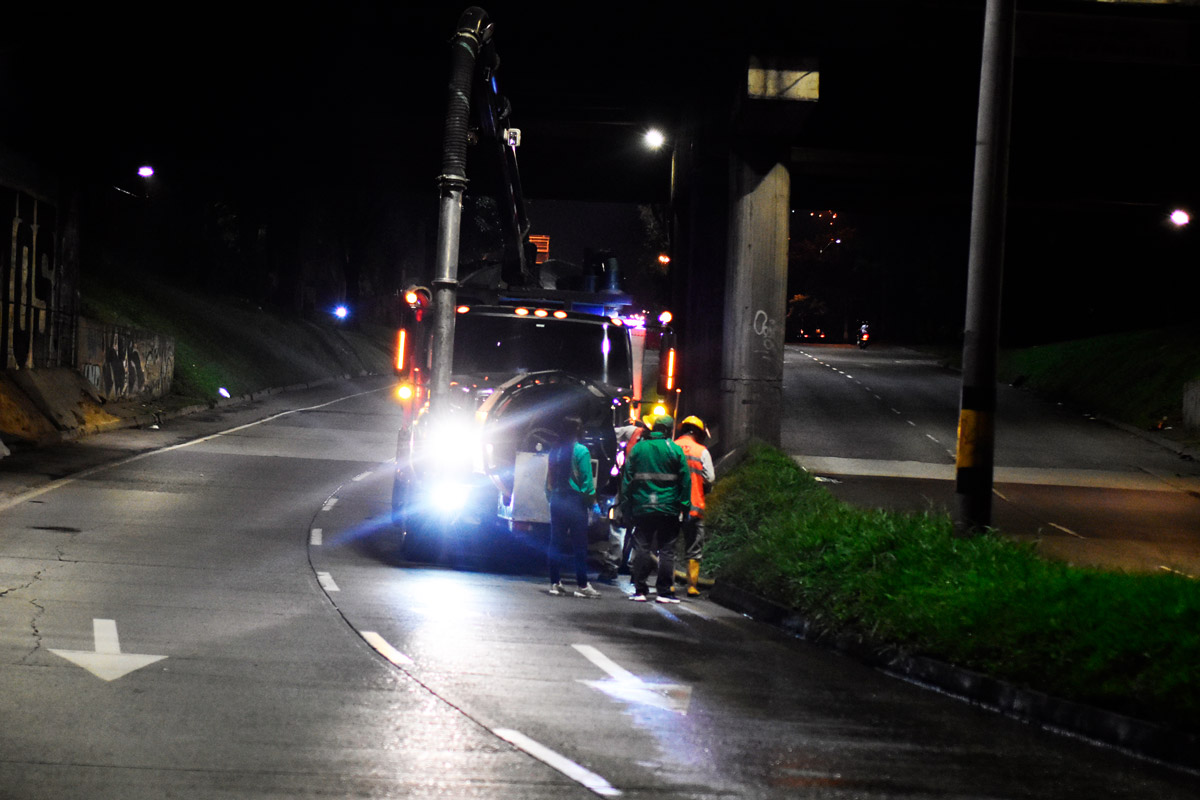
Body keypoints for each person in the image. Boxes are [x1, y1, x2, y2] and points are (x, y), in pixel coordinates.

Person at [621, 414, 690, 603]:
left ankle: (640, 590)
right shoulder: (674, 449)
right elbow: (685, 480)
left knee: (642, 547)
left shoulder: (639, 449)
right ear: (668, 430)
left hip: (642, 507)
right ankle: (665, 592)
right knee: (667, 550)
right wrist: (685, 506)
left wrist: (626, 506)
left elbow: (627, 479)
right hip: (669, 509)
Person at [545, 416, 601, 598]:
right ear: (577, 431)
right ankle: (582, 586)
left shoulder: (555, 451)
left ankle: (555, 583)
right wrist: (592, 503)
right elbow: (586, 482)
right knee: (579, 546)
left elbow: (549, 481)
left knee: (555, 543)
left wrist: (551, 499)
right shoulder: (581, 451)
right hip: (575, 502)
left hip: (557, 500)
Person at [674, 415, 715, 597]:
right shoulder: (702, 451)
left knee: (670, 546)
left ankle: (669, 584)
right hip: (694, 506)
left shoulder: (671, 446)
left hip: (672, 506)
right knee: (694, 548)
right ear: (698, 432)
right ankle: (692, 586)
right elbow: (710, 478)